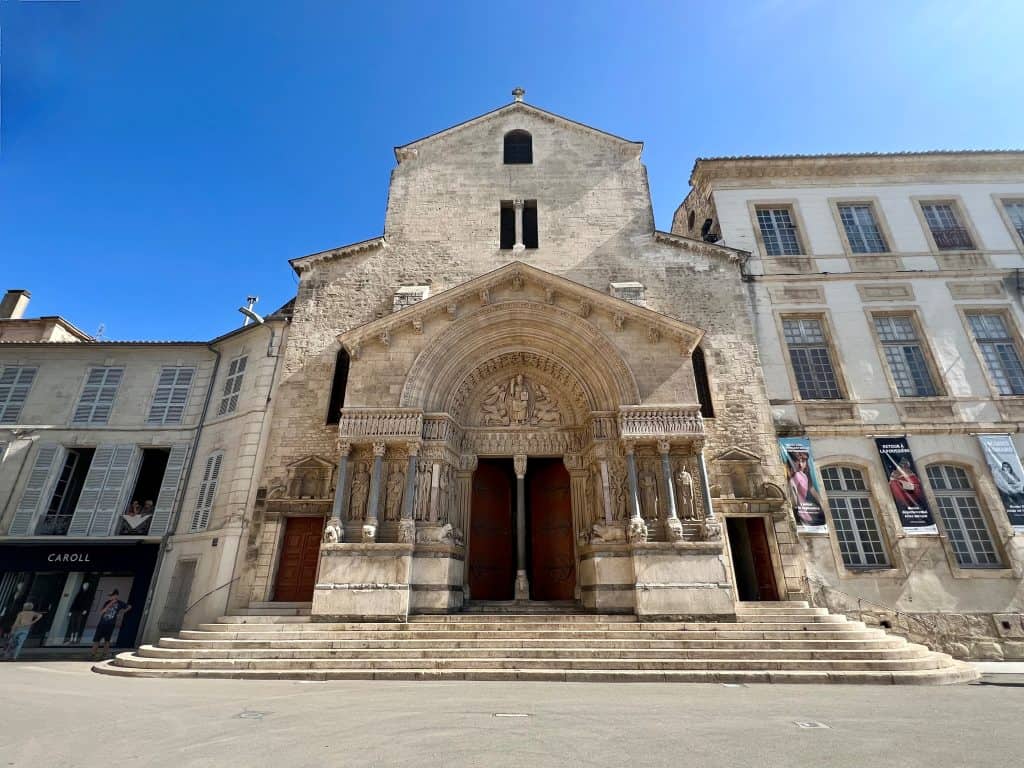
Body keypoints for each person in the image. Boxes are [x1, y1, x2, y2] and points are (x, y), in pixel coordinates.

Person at [786, 448, 826, 526]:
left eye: (803, 461)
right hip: (801, 513)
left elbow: (812, 489)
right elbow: (793, 498)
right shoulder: (796, 476)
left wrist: (822, 504)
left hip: (806, 511)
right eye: (798, 461)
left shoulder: (804, 476)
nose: (800, 464)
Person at [91, 590, 131, 660]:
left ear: (116, 596)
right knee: (97, 639)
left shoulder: (120, 603)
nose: (110, 597)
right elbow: (102, 612)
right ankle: (93, 654)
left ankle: (104, 654)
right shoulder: (107, 602)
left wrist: (122, 612)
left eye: (111, 595)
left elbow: (129, 606)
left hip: (110, 624)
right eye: (110, 596)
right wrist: (110, 604)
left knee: (107, 640)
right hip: (102, 623)